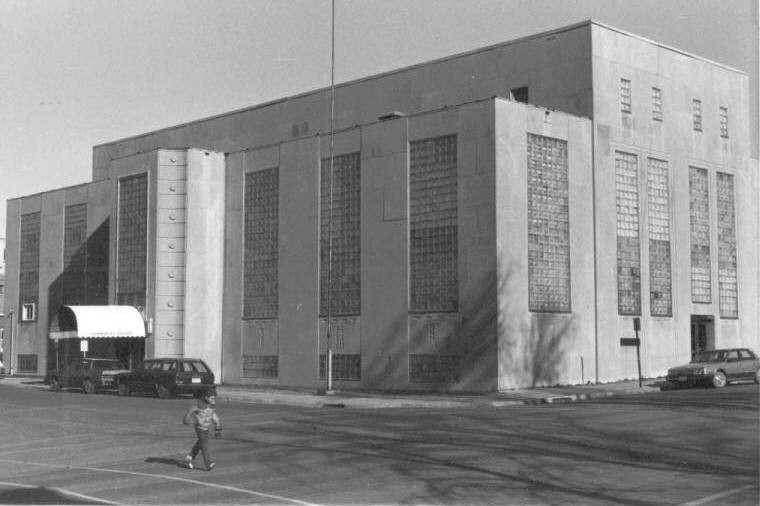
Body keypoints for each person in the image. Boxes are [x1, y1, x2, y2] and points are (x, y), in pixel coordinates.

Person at [183, 389, 222, 471]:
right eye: (211, 398)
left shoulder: (212, 405)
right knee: (204, 445)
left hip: (206, 427)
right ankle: (208, 464)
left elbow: (213, 414)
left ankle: (190, 456)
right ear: (206, 398)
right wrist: (187, 417)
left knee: (201, 442)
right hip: (199, 428)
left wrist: (217, 425)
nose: (213, 400)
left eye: (214, 398)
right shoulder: (200, 405)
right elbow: (191, 410)